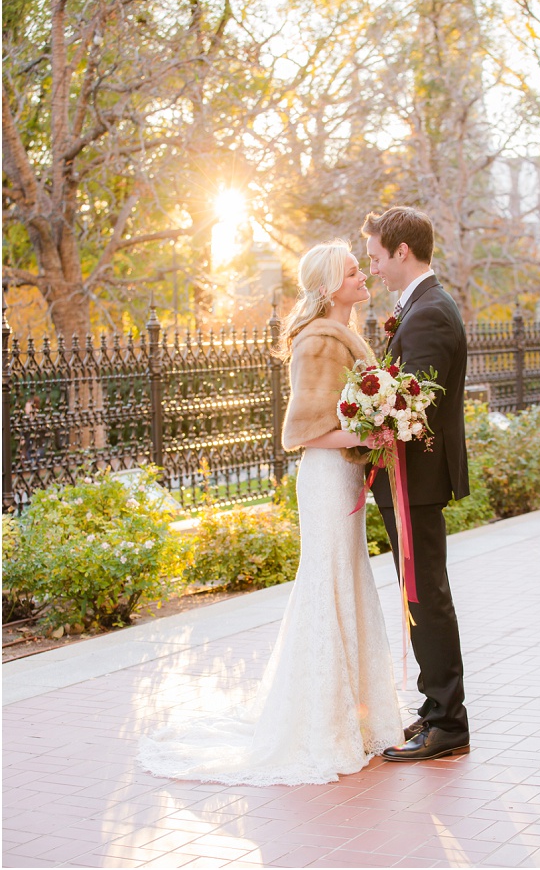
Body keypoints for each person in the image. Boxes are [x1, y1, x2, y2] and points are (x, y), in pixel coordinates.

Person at [137, 240, 402, 785]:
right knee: (327, 585)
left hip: (344, 476)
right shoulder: (318, 342)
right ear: (330, 287)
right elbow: (300, 432)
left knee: (347, 583)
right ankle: (321, 727)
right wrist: (370, 431)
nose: (363, 278)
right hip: (328, 481)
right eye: (354, 272)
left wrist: (376, 429)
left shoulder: (345, 335)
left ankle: (356, 720)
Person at [362, 206, 471, 762]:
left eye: (377, 257)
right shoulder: (422, 307)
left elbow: (413, 404)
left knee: (426, 595)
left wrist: (363, 419)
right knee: (420, 592)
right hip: (411, 477)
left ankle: (448, 721)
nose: (374, 268)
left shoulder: (428, 313)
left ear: (402, 251)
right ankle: (435, 712)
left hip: (416, 478)